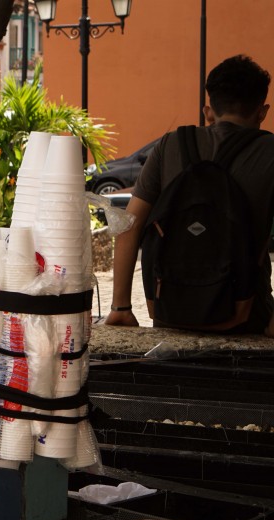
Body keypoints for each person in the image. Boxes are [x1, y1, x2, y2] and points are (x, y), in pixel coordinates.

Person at [106, 54, 274, 335]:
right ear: (262, 111)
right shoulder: (270, 151)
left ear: (208, 112)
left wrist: (121, 307)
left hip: (172, 315)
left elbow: (128, 224)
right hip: (247, 317)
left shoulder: (168, 145)